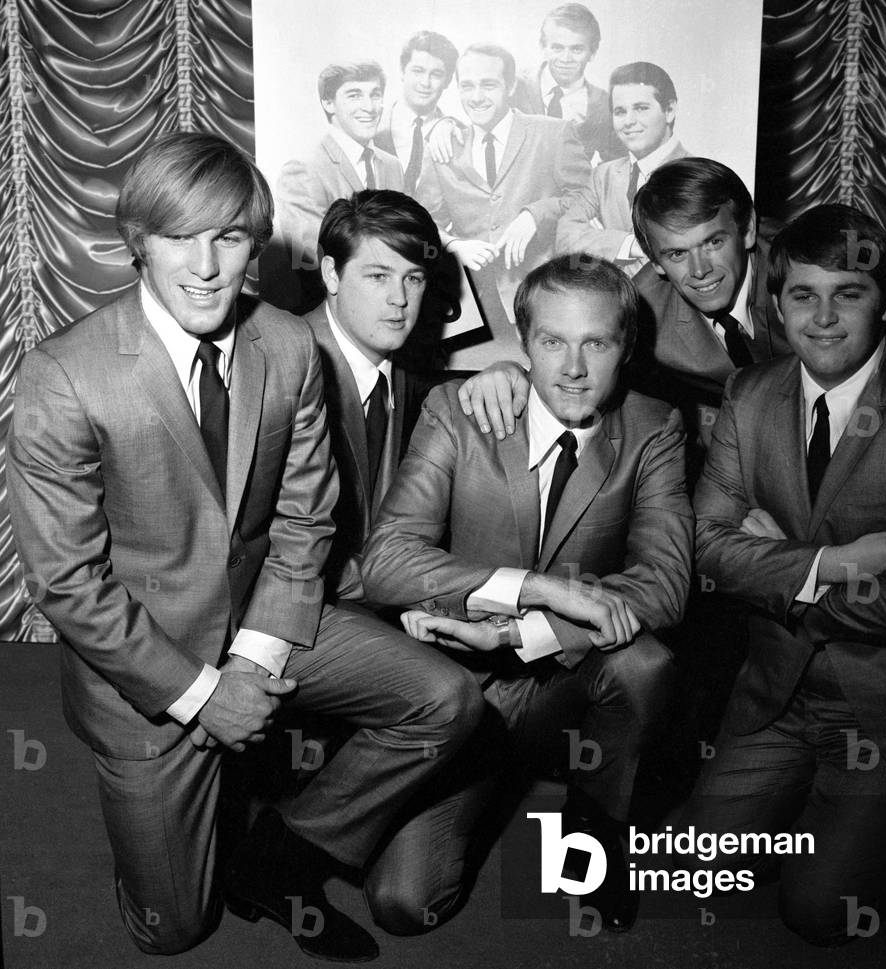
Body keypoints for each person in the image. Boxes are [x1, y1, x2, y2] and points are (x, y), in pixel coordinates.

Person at [7, 133, 484, 962]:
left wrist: (255, 661)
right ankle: (165, 814)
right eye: (177, 237)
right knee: (174, 930)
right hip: (147, 665)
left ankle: (282, 843)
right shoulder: (66, 375)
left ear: (254, 245)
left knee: (448, 701)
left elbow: (306, 521)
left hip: (270, 617)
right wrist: (200, 695)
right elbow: (68, 581)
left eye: (228, 237)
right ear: (137, 243)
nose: (204, 266)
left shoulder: (288, 344)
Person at [685, 203, 886, 945]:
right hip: (779, 693)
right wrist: (829, 564)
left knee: (817, 912)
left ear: (885, 301)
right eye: (801, 294)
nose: (822, 317)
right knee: (699, 864)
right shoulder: (747, 395)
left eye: (847, 293)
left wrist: (774, 576)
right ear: (776, 303)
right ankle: (823, 811)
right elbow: (704, 545)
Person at [360, 255, 692, 935]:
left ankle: (596, 829)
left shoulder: (655, 426)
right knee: (403, 902)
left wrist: (517, 631)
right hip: (462, 691)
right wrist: (527, 594)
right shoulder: (458, 410)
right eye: (551, 342)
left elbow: (664, 582)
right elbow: (386, 560)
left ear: (624, 347)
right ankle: (488, 781)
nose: (572, 368)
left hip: (571, 680)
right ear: (523, 344)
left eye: (594, 343)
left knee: (644, 662)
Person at [304, 188, 528, 601]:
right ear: (331, 273)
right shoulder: (280, 365)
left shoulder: (407, 369)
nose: (400, 299)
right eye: (378, 276)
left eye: (414, 278)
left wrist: (507, 371)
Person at [416, 43, 591, 370]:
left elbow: (587, 197)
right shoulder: (443, 146)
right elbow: (421, 223)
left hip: (545, 298)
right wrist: (454, 244)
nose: (477, 96)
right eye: (467, 86)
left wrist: (536, 215)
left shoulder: (552, 133)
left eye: (489, 85)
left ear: (510, 86)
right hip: (471, 311)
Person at [630, 156, 790, 446]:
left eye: (714, 242)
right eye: (677, 254)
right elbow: (583, 356)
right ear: (655, 261)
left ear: (748, 229)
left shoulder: (802, 272)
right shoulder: (642, 307)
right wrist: (521, 379)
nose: (700, 270)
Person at [272, 61, 404, 312]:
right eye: (354, 95)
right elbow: (314, 260)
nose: (369, 106)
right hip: (331, 312)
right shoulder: (303, 169)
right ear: (328, 103)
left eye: (375, 95)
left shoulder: (391, 165)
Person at [556, 61, 688, 276]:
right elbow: (565, 235)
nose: (629, 121)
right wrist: (628, 245)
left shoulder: (697, 172)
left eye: (641, 108)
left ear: (670, 110)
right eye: (619, 111)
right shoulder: (603, 174)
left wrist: (597, 241)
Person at [512, 3, 623, 163]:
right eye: (557, 48)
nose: (565, 59)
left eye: (576, 50)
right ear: (543, 47)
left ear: (592, 53)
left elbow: (616, 164)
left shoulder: (603, 104)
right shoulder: (516, 86)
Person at [374, 31, 460, 195]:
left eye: (436, 74)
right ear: (402, 71)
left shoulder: (456, 134)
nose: (425, 83)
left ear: (448, 80)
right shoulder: (371, 124)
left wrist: (449, 122)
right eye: (418, 71)